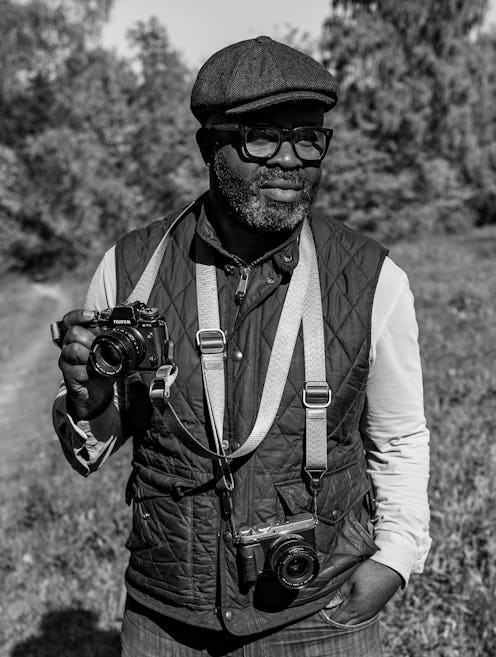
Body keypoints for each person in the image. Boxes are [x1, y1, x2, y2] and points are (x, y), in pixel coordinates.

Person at [52, 36, 431, 657]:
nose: (290, 160)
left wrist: (395, 557)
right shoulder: (131, 267)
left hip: (317, 607)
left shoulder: (370, 276)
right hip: (165, 614)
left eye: (309, 138)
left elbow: (399, 436)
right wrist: (89, 400)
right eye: (262, 137)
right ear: (210, 146)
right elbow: (92, 443)